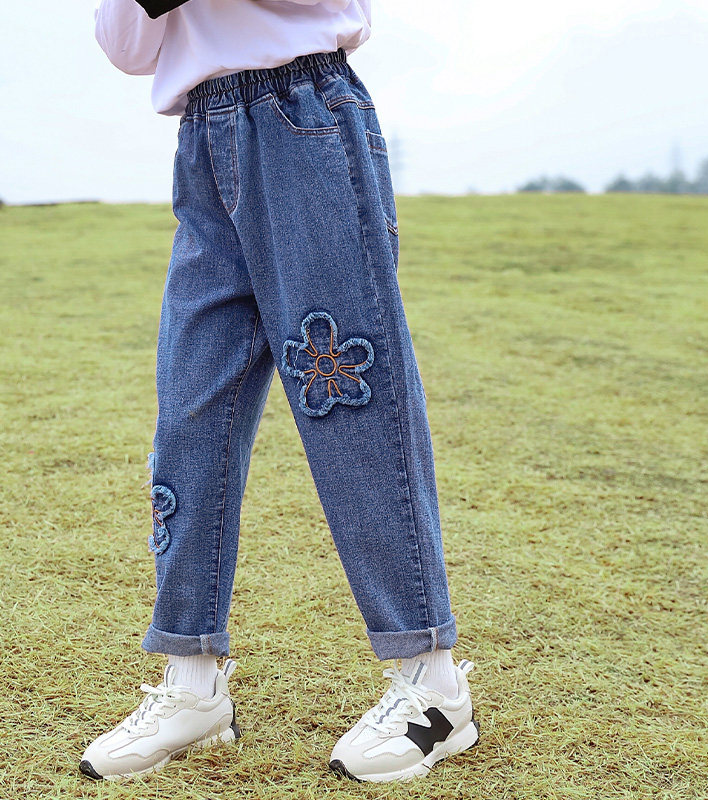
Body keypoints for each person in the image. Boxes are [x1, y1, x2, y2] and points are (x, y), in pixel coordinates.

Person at [83, 0, 479, 784]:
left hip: (304, 116)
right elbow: (126, 46)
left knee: (350, 401)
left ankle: (435, 685)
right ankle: (192, 684)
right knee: (191, 413)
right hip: (203, 136)